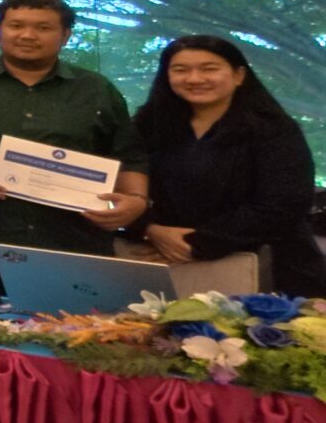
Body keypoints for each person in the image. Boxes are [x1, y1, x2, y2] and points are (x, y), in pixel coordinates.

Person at [0, 0, 148, 291]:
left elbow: (129, 154)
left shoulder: (96, 89)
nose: (28, 35)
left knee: (74, 322)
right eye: (16, 25)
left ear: (65, 36)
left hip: (74, 245)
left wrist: (135, 201)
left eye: (43, 27)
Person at [125, 35, 314, 296]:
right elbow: (125, 185)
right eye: (180, 70)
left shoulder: (275, 130)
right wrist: (151, 229)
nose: (194, 79)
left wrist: (198, 243)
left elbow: (284, 203)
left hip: (267, 269)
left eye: (209, 68)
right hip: (161, 264)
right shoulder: (147, 125)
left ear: (239, 75)